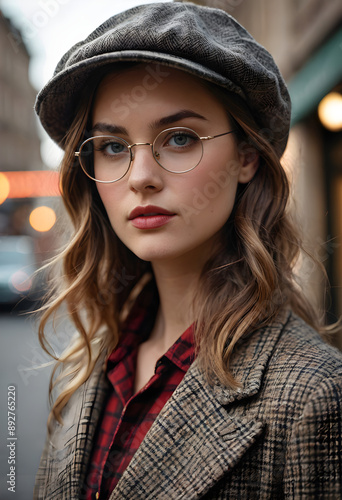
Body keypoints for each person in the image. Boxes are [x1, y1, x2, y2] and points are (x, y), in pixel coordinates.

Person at [33, 2, 342, 499]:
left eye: (178, 138)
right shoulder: (92, 365)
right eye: (113, 146)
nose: (140, 178)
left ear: (246, 156)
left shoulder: (314, 395)